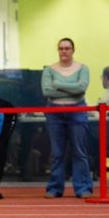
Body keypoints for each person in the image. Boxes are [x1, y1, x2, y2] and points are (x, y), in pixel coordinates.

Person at [41, 37, 93, 198]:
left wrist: (57, 84)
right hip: (54, 113)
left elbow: (81, 89)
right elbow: (47, 92)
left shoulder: (83, 68)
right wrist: (72, 89)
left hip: (77, 111)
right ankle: (54, 189)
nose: (64, 51)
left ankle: (83, 189)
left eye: (67, 48)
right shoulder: (49, 70)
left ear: (73, 50)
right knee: (57, 153)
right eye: (61, 48)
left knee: (79, 152)